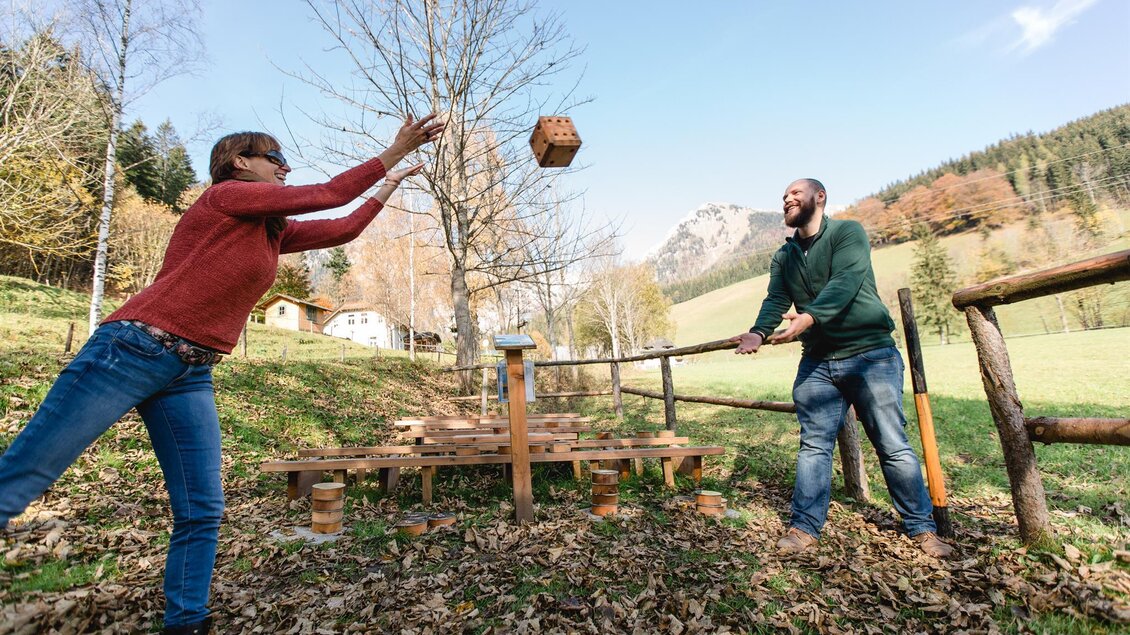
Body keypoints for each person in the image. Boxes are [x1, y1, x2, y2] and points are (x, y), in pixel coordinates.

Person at [0, 114, 445, 633]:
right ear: (240, 163)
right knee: (26, 475)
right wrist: (390, 152)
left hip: (189, 372)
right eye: (275, 159)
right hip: (132, 349)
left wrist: (389, 183)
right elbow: (326, 193)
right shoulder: (225, 198)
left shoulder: (268, 231)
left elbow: (341, 224)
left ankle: (185, 623)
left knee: (202, 508)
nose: (286, 167)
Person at [729, 178, 953, 559]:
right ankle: (803, 528)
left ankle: (921, 528)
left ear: (820, 197)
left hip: (870, 355)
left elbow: (845, 282)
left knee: (891, 443)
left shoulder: (848, 233)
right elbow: (776, 299)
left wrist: (810, 316)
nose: (787, 198)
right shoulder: (784, 257)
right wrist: (758, 333)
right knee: (814, 446)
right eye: (784, 195)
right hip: (818, 362)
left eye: (796, 193)